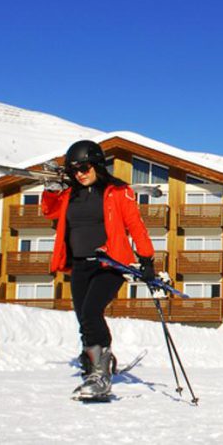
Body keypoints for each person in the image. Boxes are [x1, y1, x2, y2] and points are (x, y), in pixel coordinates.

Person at [41, 140, 155, 399]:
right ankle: (95, 362)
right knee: (84, 320)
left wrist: (146, 258)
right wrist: (51, 189)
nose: (80, 174)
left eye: (84, 167)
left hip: (109, 264)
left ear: (97, 165)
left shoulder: (118, 191)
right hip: (79, 264)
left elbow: (135, 224)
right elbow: (49, 212)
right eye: (74, 170)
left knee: (92, 313)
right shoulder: (70, 193)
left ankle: (100, 377)